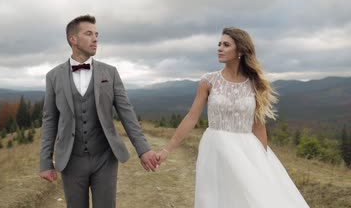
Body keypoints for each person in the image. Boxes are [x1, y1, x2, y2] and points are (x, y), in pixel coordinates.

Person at [157, 27, 310, 207]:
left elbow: (259, 126)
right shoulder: (209, 81)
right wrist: (167, 150)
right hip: (215, 149)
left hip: (247, 151)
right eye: (219, 44)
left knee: (253, 199)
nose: (219, 48)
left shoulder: (255, 84)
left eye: (226, 45)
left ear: (240, 51)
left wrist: (264, 159)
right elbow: (191, 117)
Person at [39, 14, 159, 208]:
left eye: (97, 34)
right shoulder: (53, 76)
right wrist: (45, 162)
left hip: (105, 157)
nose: (95, 39)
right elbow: (50, 120)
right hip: (71, 160)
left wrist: (143, 149)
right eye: (89, 34)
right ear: (73, 39)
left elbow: (127, 113)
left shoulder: (110, 73)